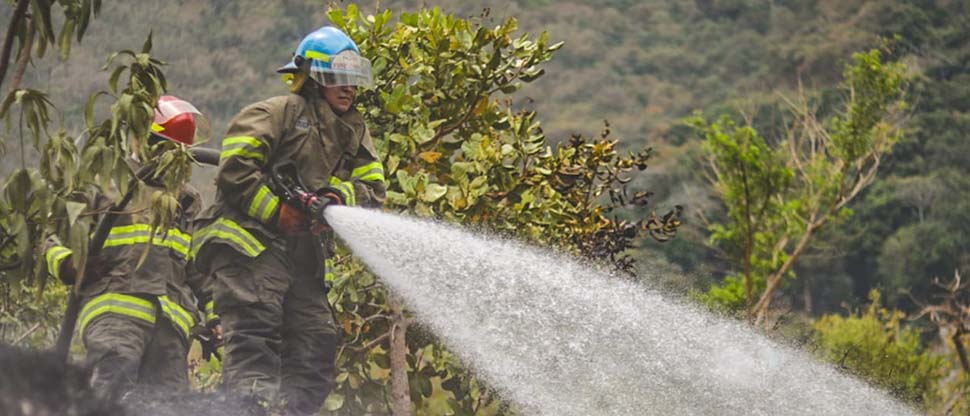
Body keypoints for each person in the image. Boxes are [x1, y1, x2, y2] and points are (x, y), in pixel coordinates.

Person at [191, 26, 385, 414]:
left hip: (300, 258)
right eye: (336, 78)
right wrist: (279, 211)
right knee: (254, 347)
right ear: (312, 78)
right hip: (249, 248)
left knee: (316, 350)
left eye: (351, 80)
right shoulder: (274, 113)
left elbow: (373, 190)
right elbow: (235, 170)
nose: (347, 88)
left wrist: (335, 200)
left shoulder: (352, 131)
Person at [43, 95, 212, 396]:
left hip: (170, 331)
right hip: (115, 317)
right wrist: (68, 264)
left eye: (174, 150)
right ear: (140, 141)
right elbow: (46, 235)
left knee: (168, 407)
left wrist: (214, 316)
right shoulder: (106, 182)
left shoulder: (187, 200)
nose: (166, 155)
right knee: (110, 396)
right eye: (160, 146)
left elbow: (199, 268)